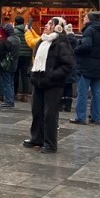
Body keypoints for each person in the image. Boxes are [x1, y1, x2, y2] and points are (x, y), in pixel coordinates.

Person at [23, 16, 75, 154]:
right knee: (37, 111)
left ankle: (50, 143)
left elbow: (68, 64)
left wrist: (51, 75)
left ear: (58, 27)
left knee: (49, 114)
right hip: (38, 81)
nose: (46, 26)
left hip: (53, 84)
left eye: (50, 24)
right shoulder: (42, 41)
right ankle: (37, 138)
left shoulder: (61, 42)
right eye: (46, 23)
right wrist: (33, 74)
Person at [71, 11, 100, 125]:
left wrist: (77, 47)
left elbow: (86, 45)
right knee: (96, 92)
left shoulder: (89, 30)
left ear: (90, 19)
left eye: (85, 17)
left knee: (82, 92)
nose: (83, 19)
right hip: (97, 64)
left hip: (86, 64)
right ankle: (96, 117)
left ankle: (80, 117)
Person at [0, 23, 20, 109]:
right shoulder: (17, 39)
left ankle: (9, 101)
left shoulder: (8, 40)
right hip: (14, 63)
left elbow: (2, 52)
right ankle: (10, 100)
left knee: (6, 83)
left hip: (7, 64)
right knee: (10, 82)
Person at [13, 16, 33, 101]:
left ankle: (15, 93)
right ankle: (25, 95)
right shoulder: (28, 31)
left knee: (15, 75)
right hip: (27, 56)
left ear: (15, 22)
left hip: (17, 55)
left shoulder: (14, 32)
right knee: (24, 75)